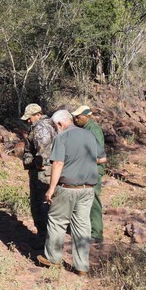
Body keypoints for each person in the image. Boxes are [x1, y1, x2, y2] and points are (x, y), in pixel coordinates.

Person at [37, 109, 106, 276]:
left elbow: (58, 163)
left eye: (55, 126)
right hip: (87, 189)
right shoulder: (89, 135)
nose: (55, 129)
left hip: (67, 188)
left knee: (56, 221)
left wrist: (51, 189)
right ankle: (81, 267)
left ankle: (53, 259)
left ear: (60, 123)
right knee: (82, 226)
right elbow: (102, 158)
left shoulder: (62, 137)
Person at [21, 103, 56, 246]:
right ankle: (47, 239)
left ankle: (44, 240)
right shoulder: (51, 125)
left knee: (40, 205)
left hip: (42, 173)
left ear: (38, 115)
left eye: (30, 117)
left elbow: (43, 156)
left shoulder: (41, 128)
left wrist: (34, 161)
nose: (28, 121)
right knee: (45, 205)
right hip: (48, 171)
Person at [71, 105, 105, 243]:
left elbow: (97, 153)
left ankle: (96, 233)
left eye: (78, 117)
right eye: (75, 117)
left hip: (93, 170)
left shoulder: (93, 130)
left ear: (88, 116)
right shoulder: (85, 129)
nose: (76, 119)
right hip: (87, 169)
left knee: (93, 200)